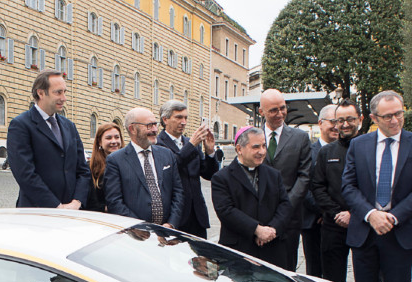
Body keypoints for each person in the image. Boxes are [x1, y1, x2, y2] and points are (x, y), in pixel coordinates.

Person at [341, 90, 412, 282]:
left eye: (399, 114)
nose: (395, 120)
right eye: (388, 116)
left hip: (399, 232)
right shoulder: (359, 145)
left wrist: (392, 217)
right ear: (374, 118)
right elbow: (348, 186)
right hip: (365, 233)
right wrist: (371, 214)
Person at [7, 71, 90, 209]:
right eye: (58, 92)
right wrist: (56, 206)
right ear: (41, 93)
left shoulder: (69, 126)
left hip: (72, 212)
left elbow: (83, 170)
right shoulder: (21, 125)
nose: (64, 98)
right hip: (38, 213)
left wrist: (77, 202)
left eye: (65, 92)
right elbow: (25, 174)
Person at [211, 126, 293, 268]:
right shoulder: (222, 178)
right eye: (255, 147)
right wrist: (257, 229)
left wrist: (272, 230)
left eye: (263, 146)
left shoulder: (273, 174)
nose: (261, 152)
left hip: (272, 248)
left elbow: (285, 204)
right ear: (239, 149)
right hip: (239, 249)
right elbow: (226, 211)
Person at [259, 89, 312, 271]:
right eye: (273, 110)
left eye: (283, 108)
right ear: (261, 112)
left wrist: (285, 206)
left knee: (287, 270)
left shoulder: (300, 138)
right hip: (259, 218)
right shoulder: (251, 137)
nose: (280, 114)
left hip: (289, 218)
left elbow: (305, 176)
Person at [310, 102, 362, 282]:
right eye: (340, 120)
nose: (345, 124)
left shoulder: (370, 149)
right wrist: (336, 213)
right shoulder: (326, 152)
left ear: (360, 119)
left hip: (364, 224)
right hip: (333, 225)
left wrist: (354, 214)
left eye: (350, 119)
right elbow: (317, 186)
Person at [104, 107, 184, 225]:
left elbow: (178, 192)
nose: (155, 130)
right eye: (149, 125)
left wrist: (171, 224)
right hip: (135, 236)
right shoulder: (115, 160)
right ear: (132, 129)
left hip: (167, 233)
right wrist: (141, 227)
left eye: (155, 125)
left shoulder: (167, 155)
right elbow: (114, 202)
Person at [157, 100, 219, 237]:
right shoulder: (158, 143)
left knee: (199, 256)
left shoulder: (191, 143)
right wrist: (191, 145)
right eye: (178, 117)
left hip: (197, 214)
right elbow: (171, 167)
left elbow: (208, 174)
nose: (183, 122)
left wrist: (210, 152)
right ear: (165, 119)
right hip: (175, 215)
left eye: (185, 118)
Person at [299, 104, 338, 277]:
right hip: (313, 222)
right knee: (314, 272)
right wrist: (325, 210)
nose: (337, 126)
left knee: (335, 272)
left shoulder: (348, 151)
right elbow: (303, 185)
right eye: (333, 121)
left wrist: (334, 212)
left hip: (338, 222)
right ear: (320, 123)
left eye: (340, 121)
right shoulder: (307, 152)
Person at [85, 123, 124, 212]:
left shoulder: (129, 164)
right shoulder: (90, 168)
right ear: (99, 142)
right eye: (108, 138)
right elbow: (90, 202)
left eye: (117, 137)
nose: (114, 141)